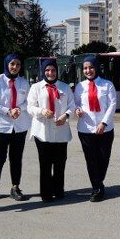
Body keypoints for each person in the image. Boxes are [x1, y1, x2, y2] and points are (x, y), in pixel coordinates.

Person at [0, 53, 30, 201]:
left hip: (19, 127)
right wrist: (8, 111)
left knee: (16, 159)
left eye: (18, 64)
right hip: (0, 127)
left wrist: (19, 109)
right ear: (7, 64)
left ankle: (15, 187)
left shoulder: (23, 82)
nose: (15, 67)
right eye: (12, 64)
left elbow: (29, 101)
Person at [26, 58, 74, 201]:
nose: (50, 73)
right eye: (47, 70)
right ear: (43, 71)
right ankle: (46, 193)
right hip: (42, 131)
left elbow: (72, 106)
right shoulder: (35, 87)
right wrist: (41, 111)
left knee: (60, 163)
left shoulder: (65, 87)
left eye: (53, 70)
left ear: (56, 71)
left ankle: (58, 190)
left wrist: (66, 115)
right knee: (45, 164)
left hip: (61, 130)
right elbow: (29, 107)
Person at [74, 55, 117, 202]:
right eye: (85, 68)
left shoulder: (107, 85)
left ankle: (99, 181)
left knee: (103, 158)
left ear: (96, 67)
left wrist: (104, 123)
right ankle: (97, 188)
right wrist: (77, 110)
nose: (88, 70)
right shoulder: (80, 86)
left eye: (91, 67)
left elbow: (112, 105)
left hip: (105, 129)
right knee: (91, 160)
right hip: (86, 129)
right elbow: (75, 104)